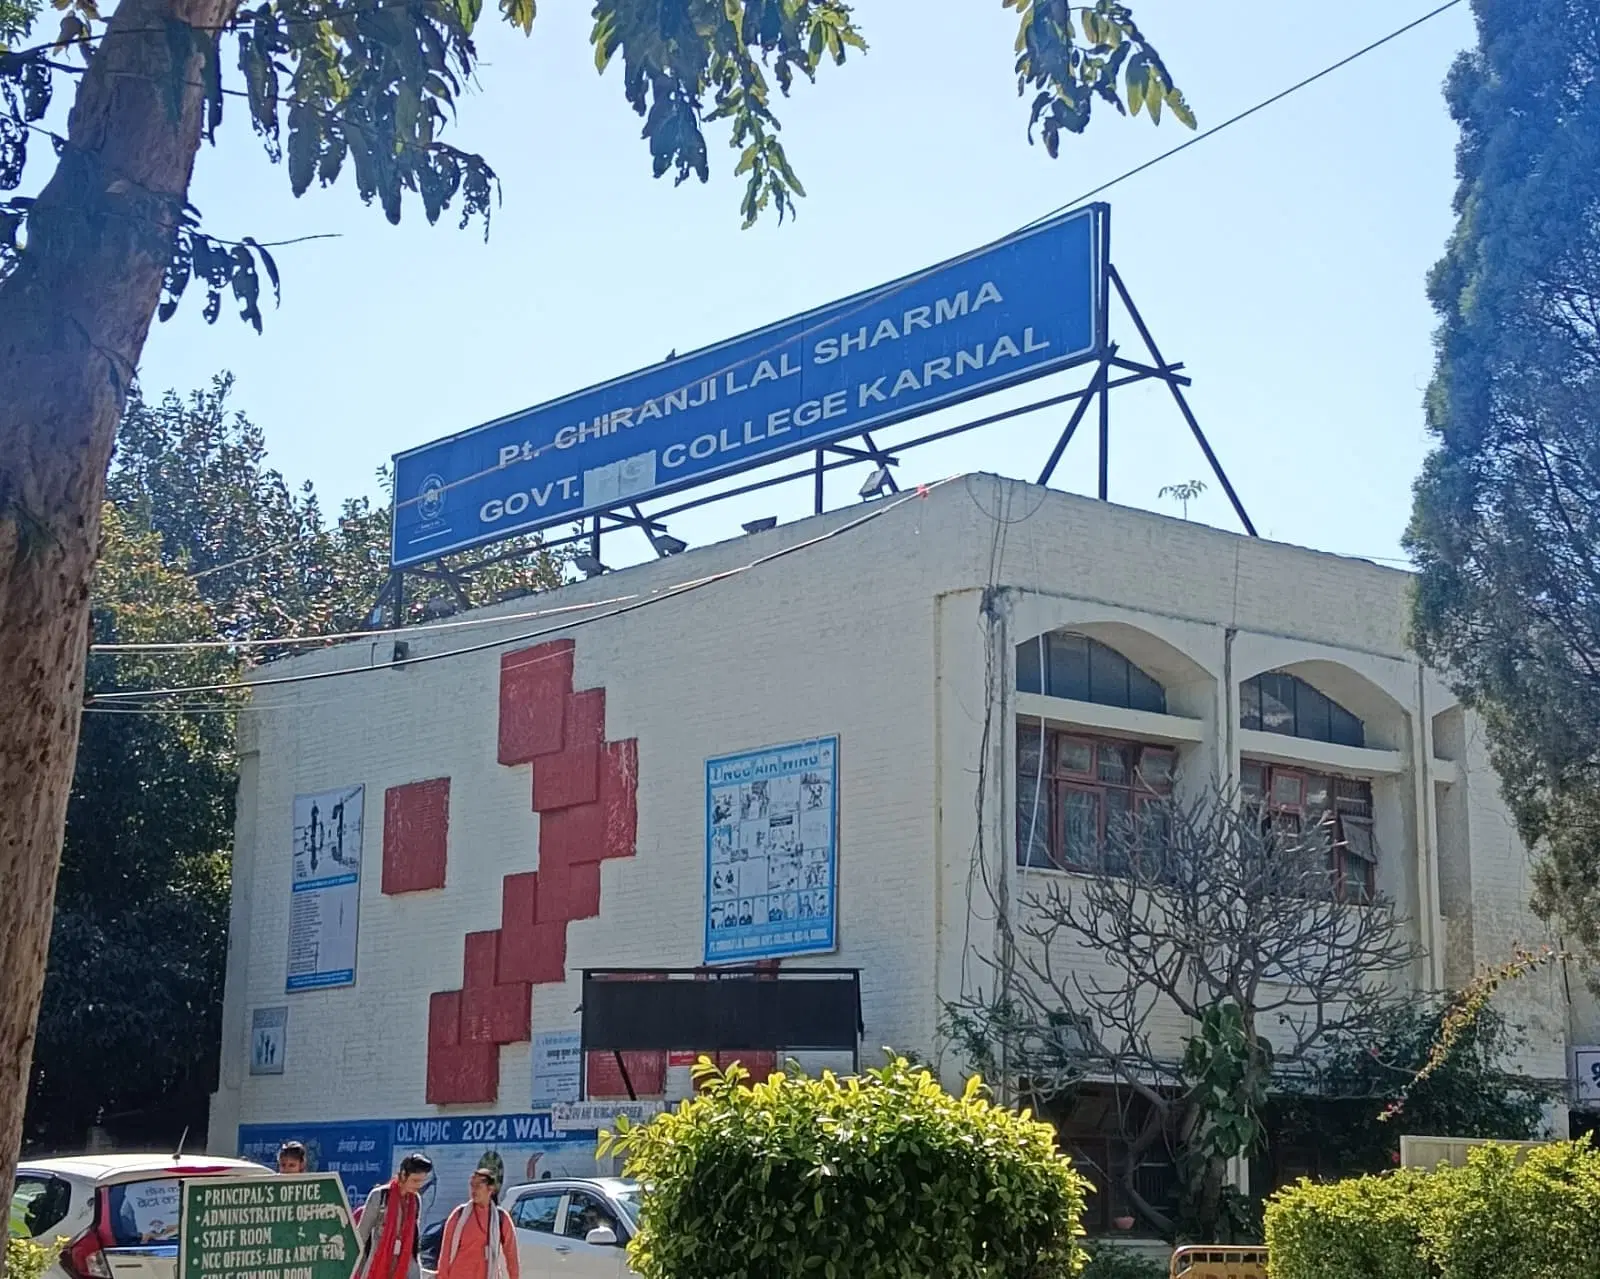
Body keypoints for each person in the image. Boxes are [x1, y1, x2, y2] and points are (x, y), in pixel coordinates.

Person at [353, 1155, 432, 1279]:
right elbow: (360, 1237)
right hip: (377, 1267)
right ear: (403, 1174)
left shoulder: (415, 1201)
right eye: (415, 1181)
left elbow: (413, 1243)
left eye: (422, 1181)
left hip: (403, 1268)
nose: (419, 1185)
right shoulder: (380, 1196)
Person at [435, 1170, 519, 1279]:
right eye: (472, 1185)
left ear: (490, 1188)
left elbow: (511, 1254)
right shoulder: (459, 1215)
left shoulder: (501, 1218)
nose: (474, 1190)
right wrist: (442, 1276)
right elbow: (445, 1252)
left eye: (478, 1186)